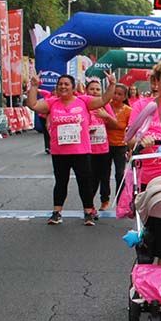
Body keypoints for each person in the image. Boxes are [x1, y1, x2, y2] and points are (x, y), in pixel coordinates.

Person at [26, 72, 116, 226]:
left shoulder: (83, 101)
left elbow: (103, 99)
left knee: (84, 182)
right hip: (60, 152)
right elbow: (32, 105)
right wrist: (34, 86)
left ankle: (88, 213)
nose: (63, 86)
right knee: (61, 182)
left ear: (73, 87)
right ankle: (56, 213)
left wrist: (112, 84)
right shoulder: (52, 102)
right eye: (60, 84)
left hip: (81, 151)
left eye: (66, 84)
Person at [84, 78, 121, 212]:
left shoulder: (104, 105)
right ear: (86, 90)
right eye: (92, 89)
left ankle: (104, 200)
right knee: (89, 178)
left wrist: (106, 116)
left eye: (97, 89)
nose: (94, 92)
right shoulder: (82, 104)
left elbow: (115, 124)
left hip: (103, 147)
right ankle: (89, 204)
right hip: (86, 149)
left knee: (104, 176)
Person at [107, 84, 132, 199]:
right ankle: (104, 198)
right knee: (104, 174)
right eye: (114, 93)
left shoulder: (128, 111)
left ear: (125, 97)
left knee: (120, 174)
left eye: (119, 94)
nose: (116, 96)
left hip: (121, 146)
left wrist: (131, 149)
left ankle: (119, 200)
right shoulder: (105, 106)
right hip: (105, 145)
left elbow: (123, 126)